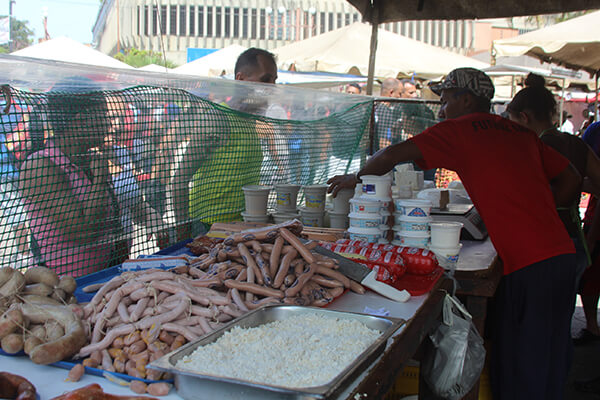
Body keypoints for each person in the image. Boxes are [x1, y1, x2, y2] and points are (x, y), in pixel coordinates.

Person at [328, 67, 581, 400]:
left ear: (465, 99)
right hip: (563, 254)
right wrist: (539, 213)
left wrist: (357, 179)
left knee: (524, 358)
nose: (442, 109)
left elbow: (392, 155)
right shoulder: (520, 133)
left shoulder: (458, 129)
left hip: (529, 262)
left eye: (445, 100)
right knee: (552, 351)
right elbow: (573, 178)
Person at [505, 75, 600, 295]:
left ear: (524, 117)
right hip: (574, 238)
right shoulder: (576, 144)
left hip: (540, 245)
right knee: (561, 312)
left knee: (539, 310)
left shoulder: (534, 147)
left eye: (513, 122)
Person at [172, 48, 275, 240]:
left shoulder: (250, 121)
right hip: (208, 227)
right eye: (266, 80)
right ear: (241, 79)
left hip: (243, 227)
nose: (273, 88)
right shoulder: (217, 119)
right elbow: (179, 181)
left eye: (275, 81)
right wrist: (183, 237)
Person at [20, 87, 120, 277]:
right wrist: (99, 181)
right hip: (61, 287)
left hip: (101, 278)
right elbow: (85, 233)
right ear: (81, 120)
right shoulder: (40, 165)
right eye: (104, 115)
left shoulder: (88, 159)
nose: (109, 123)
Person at [576, 120, 600, 344]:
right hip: (594, 215)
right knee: (590, 276)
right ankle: (592, 326)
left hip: (596, 220)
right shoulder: (595, 131)